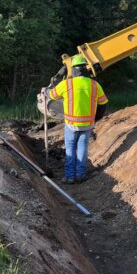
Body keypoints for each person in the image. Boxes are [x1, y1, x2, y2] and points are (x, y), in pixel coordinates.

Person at [43, 55, 108, 184]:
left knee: (70, 149)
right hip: (88, 124)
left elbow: (51, 95)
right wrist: (96, 118)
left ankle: (69, 176)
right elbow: (103, 103)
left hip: (71, 124)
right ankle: (80, 175)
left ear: (73, 69)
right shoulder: (95, 85)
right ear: (85, 69)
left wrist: (45, 91)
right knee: (82, 148)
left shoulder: (67, 83)